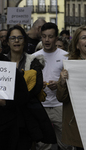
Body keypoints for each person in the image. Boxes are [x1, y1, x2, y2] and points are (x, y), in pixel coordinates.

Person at [6, 25, 56, 147]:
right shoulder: (1, 61)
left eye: (19, 37)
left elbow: (36, 87)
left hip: (26, 116)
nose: (16, 41)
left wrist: (14, 97)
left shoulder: (34, 61)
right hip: (5, 116)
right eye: (13, 38)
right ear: (7, 42)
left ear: (24, 41)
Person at [33, 22, 73, 150]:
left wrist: (60, 84)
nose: (46, 40)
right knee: (42, 144)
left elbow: (72, 81)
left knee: (66, 144)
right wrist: (39, 85)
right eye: (44, 36)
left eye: (50, 36)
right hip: (41, 105)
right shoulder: (34, 57)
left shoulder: (66, 56)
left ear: (56, 38)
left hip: (60, 106)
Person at [56, 25, 86, 150]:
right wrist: (62, 82)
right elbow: (61, 98)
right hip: (79, 124)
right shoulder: (70, 67)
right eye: (84, 38)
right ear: (77, 45)